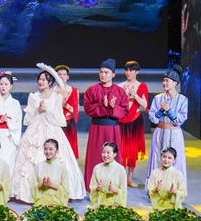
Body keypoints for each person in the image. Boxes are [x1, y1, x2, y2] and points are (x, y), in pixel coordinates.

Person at [11, 66, 85, 203]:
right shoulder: (33, 97)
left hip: (52, 130)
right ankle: (29, 193)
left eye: (44, 80)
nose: (41, 82)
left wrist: (47, 111)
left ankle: (57, 190)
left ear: (50, 82)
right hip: (35, 130)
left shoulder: (57, 97)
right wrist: (37, 111)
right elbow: (27, 119)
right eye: (39, 79)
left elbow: (60, 120)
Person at [83, 58, 129, 190]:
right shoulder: (92, 90)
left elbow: (125, 110)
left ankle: (113, 185)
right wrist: (102, 106)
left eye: (106, 72)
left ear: (113, 74)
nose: (103, 75)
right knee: (95, 155)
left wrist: (113, 107)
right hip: (97, 128)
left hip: (113, 128)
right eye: (101, 72)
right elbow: (88, 108)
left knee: (112, 155)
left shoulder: (120, 91)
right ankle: (93, 185)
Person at [146, 65, 188, 188]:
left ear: (175, 83)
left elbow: (181, 119)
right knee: (157, 159)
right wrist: (160, 111)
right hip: (160, 132)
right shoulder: (158, 98)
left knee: (174, 160)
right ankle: (155, 188)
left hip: (174, 134)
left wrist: (169, 111)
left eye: (167, 81)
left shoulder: (183, 100)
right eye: (163, 80)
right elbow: (153, 117)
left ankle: (173, 188)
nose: (164, 83)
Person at [119, 61, 149, 187]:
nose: (128, 73)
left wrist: (135, 95)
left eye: (131, 70)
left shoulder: (142, 86)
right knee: (120, 149)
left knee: (132, 150)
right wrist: (125, 97)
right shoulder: (120, 86)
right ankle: (120, 177)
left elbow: (145, 105)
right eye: (126, 70)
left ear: (137, 72)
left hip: (135, 120)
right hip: (121, 120)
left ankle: (129, 178)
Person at [0, 72, 22, 171]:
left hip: (8, 135)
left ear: (11, 86)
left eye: (6, 84)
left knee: (8, 161)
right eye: (1, 84)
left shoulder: (15, 103)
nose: (3, 86)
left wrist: (8, 121)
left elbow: (17, 121)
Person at [31, 139, 70, 206]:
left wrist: (51, 185)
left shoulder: (62, 168)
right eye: (45, 149)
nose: (48, 151)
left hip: (57, 202)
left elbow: (65, 191)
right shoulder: (38, 166)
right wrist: (42, 185)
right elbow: (32, 186)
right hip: (41, 201)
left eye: (51, 149)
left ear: (57, 150)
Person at [89, 142, 128, 207]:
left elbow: (124, 192)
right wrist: (97, 188)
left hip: (114, 203)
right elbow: (92, 186)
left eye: (108, 152)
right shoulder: (97, 167)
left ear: (115, 154)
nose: (105, 155)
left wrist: (113, 190)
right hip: (100, 202)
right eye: (103, 152)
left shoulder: (120, 169)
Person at [54, 65, 79, 158]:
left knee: (69, 148)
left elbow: (74, 110)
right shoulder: (52, 91)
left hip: (68, 122)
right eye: (59, 74)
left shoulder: (73, 90)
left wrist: (66, 105)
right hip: (56, 122)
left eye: (64, 74)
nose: (62, 76)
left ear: (67, 77)